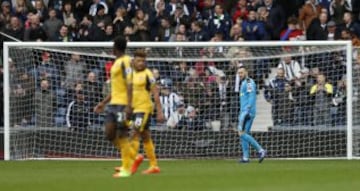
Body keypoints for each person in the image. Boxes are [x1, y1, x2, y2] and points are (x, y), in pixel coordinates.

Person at [93, 36, 135, 178]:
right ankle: (131, 157)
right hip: (112, 105)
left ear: (115, 47)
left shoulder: (126, 62)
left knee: (122, 133)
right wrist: (103, 103)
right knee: (109, 134)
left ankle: (127, 167)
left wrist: (129, 106)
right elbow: (116, 88)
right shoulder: (117, 62)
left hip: (123, 105)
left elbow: (130, 84)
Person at [128, 49, 165, 174]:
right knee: (145, 137)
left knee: (134, 132)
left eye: (143, 61)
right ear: (133, 61)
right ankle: (154, 165)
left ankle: (130, 163)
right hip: (134, 108)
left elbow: (155, 93)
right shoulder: (131, 73)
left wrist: (159, 111)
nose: (141, 63)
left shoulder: (148, 74)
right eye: (138, 61)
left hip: (144, 109)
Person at [237, 67, 266, 163]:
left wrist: (247, 109)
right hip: (244, 111)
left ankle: (260, 150)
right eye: (239, 73)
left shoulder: (249, 82)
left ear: (246, 72)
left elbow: (252, 95)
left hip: (247, 111)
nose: (240, 74)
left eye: (241, 72)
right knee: (244, 134)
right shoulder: (244, 83)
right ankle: (246, 157)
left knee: (241, 132)